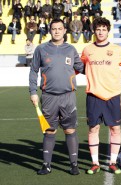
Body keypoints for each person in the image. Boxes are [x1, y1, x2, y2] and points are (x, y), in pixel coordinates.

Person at [80, 17, 121, 175]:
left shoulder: (117, 50)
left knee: (115, 128)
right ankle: (95, 163)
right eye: (98, 29)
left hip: (113, 95)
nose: (101, 32)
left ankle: (113, 162)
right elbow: (79, 66)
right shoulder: (87, 50)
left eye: (104, 29)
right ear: (94, 31)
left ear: (108, 31)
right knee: (93, 129)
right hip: (93, 95)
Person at [29, 18, 85, 175]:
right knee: (49, 131)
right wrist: (33, 91)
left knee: (70, 130)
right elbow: (33, 71)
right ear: (50, 30)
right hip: (48, 96)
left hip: (68, 96)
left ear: (64, 31)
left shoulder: (71, 49)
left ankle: (74, 164)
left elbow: (82, 67)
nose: (57, 31)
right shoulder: (41, 49)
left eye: (60, 28)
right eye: (54, 29)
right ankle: (46, 165)